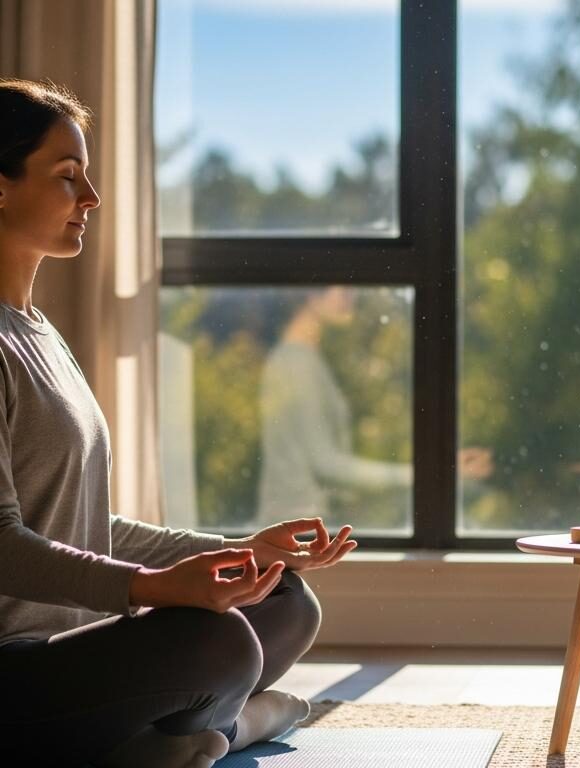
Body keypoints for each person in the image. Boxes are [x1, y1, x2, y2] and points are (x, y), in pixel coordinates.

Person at [0, 78, 357, 768]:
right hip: (16, 673)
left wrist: (237, 550)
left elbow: (85, 525)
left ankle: (170, 738)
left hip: (75, 648)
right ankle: (231, 726)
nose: (91, 197)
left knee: (285, 597)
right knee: (219, 643)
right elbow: (4, 543)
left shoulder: (38, 332)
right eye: (68, 176)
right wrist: (155, 586)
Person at [257, 287, 493, 524]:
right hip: (299, 531)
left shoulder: (301, 360)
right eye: (341, 287)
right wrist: (431, 474)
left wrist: (437, 470)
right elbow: (326, 465)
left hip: (305, 527)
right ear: (310, 293)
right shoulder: (296, 363)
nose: (352, 295)